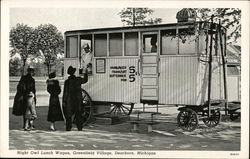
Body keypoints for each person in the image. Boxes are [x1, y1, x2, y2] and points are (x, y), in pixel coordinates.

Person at [62, 66, 88, 131]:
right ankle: (79, 127)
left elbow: (65, 92)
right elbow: (85, 80)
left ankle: (68, 128)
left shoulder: (67, 82)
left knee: (68, 115)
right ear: (74, 72)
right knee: (79, 114)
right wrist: (85, 73)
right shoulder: (78, 79)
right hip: (78, 100)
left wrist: (64, 101)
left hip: (69, 100)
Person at [12, 66, 37, 131]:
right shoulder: (31, 79)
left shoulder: (23, 78)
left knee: (25, 111)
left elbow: (19, 87)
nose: (33, 73)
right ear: (31, 72)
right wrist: (32, 95)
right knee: (29, 111)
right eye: (32, 71)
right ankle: (27, 126)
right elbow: (32, 89)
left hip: (23, 97)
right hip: (29, 96)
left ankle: (27, 125)